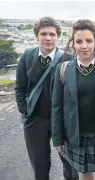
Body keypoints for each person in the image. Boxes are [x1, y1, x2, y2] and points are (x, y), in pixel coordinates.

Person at [51, 19, 95, 180]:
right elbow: (56, 107)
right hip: (77, 135)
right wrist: (58, 137)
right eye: (79, 41)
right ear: (73, 44)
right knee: (86, 175)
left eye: (89, 41)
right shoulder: (63, 70)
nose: (84, 46)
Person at [14, 17, 78, 180]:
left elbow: (73, 93)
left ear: (57, 36)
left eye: (52, 34)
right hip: (35, 119)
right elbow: (20, 88)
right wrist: (25, 110)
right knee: (40, 167)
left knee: (71, 166)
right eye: (44, 34)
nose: (48, 38)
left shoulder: (68, 59)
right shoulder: (27, 56)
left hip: (61, 121)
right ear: (37, 36)